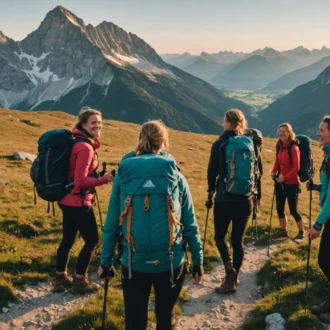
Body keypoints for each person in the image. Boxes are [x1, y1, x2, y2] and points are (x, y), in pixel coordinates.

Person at [98, 120, 203, 330]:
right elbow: (190, 222)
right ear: (164, 142)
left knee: (135, 320)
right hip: (171, 262)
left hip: (133, 262)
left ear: (140, 139)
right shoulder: (176, 175)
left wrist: (106, 261)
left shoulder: (124, 175)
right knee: (165, 316)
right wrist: (198, 261)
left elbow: (112, 223)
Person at [53, 107, 114, 294]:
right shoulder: (85, 147)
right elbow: (80, 180)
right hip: (78, 202)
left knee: (68, 239)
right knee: (92, 241)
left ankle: (60, 279)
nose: (98, 126)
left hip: (65, 198)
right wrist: (105, 179)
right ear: (84, 124)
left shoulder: (75, 142)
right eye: (93, 122)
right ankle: (79, 281)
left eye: (100, 123)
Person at [206, 109, 254, 294]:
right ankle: (235, 277)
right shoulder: (249, 144)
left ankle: (229, 269)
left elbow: (212, 172)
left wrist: (211, 191)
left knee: (220, 236)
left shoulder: (220, 143)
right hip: (245, 199)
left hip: (225, 199)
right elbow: (256, 170)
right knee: (238, 240)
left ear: (227, 122)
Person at [307, 115, 330, 323]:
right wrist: (315, 187)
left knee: (325, 260)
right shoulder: (328, 155)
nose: (318, 133)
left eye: (322, 130)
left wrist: (317, 224)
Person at [271, 123, 305, 240]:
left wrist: (284, 177)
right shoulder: (279, 145)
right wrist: (273, 171)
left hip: (292, 183)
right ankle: (284, 231)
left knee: (293, 210)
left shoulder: (294, 147)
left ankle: (301, 232)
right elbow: (277, 160)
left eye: (284, 131)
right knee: (279, 208)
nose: (281, 133)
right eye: (280, 131)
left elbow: (296, 167)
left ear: (289, 132)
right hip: (280, 182)